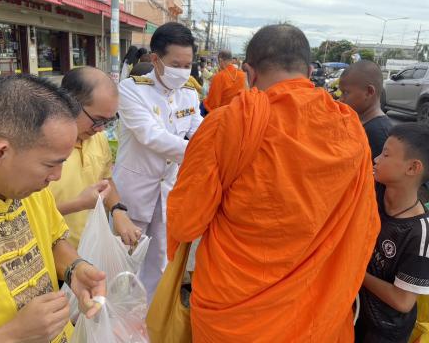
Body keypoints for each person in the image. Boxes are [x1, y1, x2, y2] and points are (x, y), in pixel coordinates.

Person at [166, 24, 380, 342]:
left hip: (234, 314)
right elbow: (364, 226)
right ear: (309, 71)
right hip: (316, 313)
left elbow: (185, 222)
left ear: (249, 72)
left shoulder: (227, 125)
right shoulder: (350, 130)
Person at [0, 75, 106, 342]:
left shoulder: (27, 189)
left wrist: (74, 269)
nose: (56, 176)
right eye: (50, 165)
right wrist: (13, 334)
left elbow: (53, 239)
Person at [114, 22, 203, 302]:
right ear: (155, 59)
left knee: (160, 261)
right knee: (125, 261)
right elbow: (151, 136)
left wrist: (216, 141)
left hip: (168, 192)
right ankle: (117, 323)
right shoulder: (131, 90)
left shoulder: (189, 93)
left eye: (187, 64)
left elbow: (200, 131)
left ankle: (149, 321)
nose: (182, 71)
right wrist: (205, 153)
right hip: (134, 191)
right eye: (176, 63)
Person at [49, 67, 141, 248]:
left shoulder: (97, 138)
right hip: (54, 253)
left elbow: (105, 179)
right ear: (68, 103)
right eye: (97, 120)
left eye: (108, 121)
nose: (101, 129)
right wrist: (77, 204)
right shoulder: (40, 148)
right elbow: (27, 216)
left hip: (90, 247)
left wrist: (117, 210)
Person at [356, 123, 429, 343]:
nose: (376, 159)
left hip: (384, 331)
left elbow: (403, 301)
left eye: (386, 154)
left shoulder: (419, 233)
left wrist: (355, 271)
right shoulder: (373, 190)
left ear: (412, 168)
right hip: (356, 311)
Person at [340, 60, 393, 160]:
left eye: (346, 92)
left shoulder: (379, 133)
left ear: (369, 92)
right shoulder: (361, 122)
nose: (341, 99)